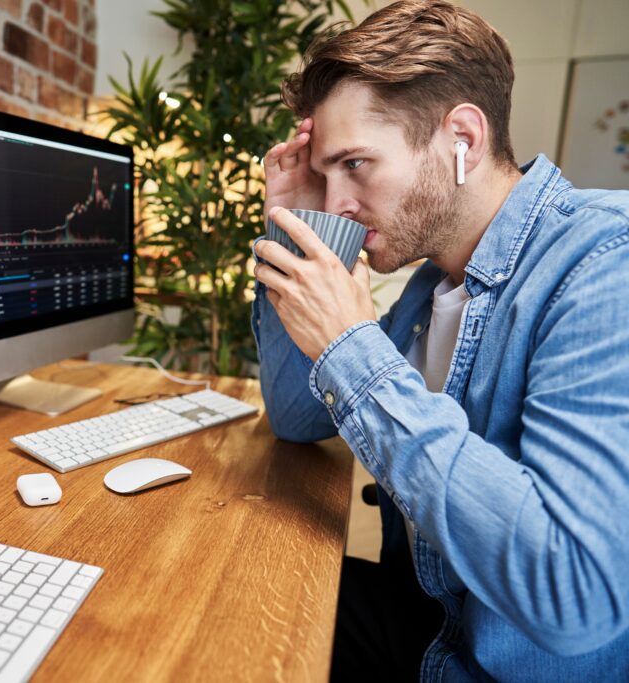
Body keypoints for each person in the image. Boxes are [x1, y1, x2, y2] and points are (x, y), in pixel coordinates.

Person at [251, 0, 629, 680]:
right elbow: (295, 415)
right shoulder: (432, 286)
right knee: (244, 600)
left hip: (498, 666)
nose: (336, 201)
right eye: (325, 175)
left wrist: (354, 350)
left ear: (462, 138)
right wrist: (290, 225)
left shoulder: (604, 263)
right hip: (429, 619)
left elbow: (576, 594)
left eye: (356, 164)